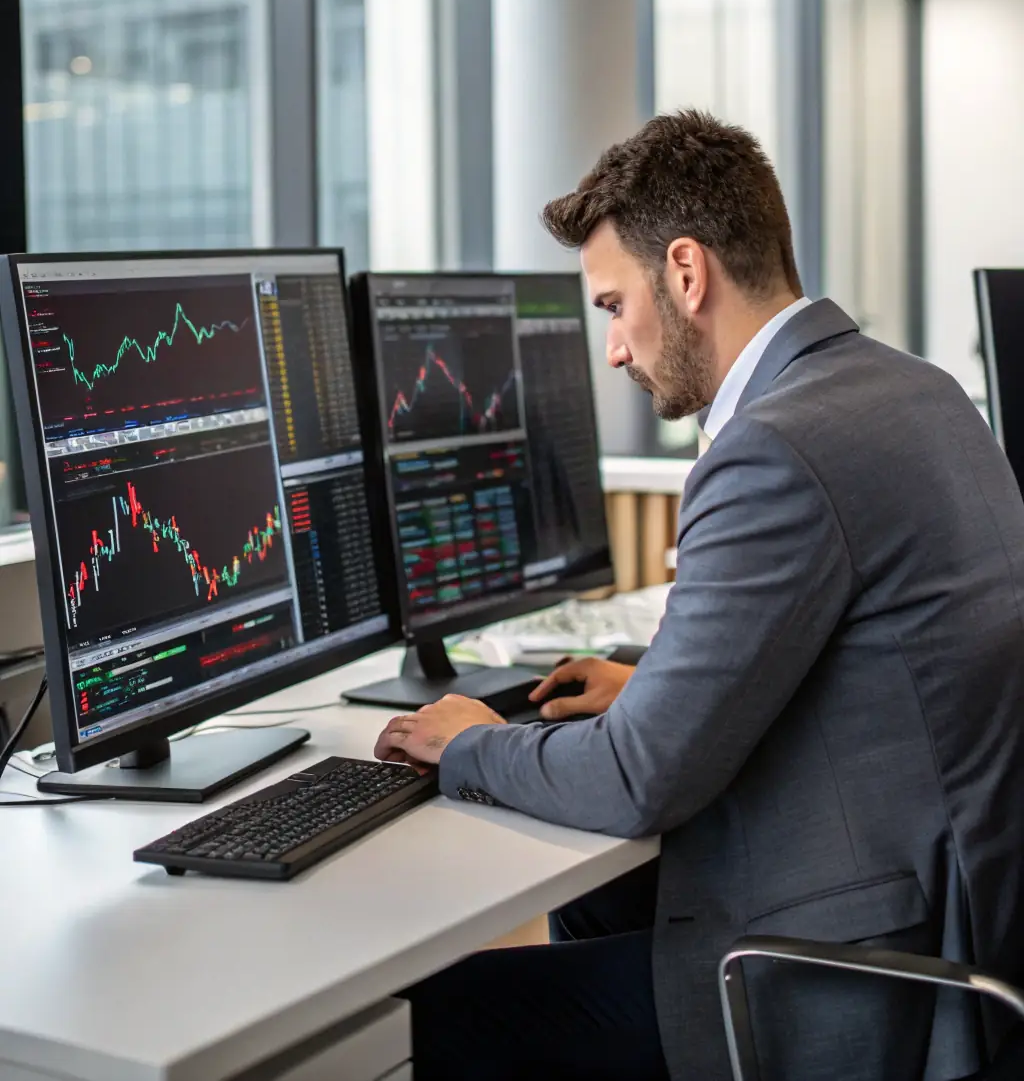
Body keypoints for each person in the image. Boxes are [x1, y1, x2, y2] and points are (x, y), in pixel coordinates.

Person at [374, 110, 1024, 1081]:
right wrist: (648, 686)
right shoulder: (917, 391)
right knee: (597, 904)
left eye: (610, 307)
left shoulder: (773, 447)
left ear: (685, 273)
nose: (614, 350)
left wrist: (466, 742)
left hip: (857, 986)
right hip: (960, 923)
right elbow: (861, 670)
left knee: (431, 1015)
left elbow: (639, 782)